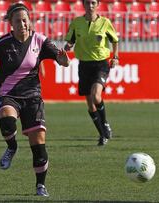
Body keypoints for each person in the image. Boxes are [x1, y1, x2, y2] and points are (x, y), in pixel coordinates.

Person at [0, 3, 69, 197]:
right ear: (11, 23)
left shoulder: (40, 41)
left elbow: (62, 61)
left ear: (29, 21)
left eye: (25, 20)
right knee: (7, 120)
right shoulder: (1, 44)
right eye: (18, 21)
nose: (23, 24)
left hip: (33, 96)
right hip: (8, 94)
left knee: (38, 143)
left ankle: (40, 186)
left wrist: (64, 58)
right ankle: (12, 147)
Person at [64, 0, 119, 146]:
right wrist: (68, 46)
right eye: (88, 3)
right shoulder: (77, 23)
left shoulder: (105, 22)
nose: (91, 5)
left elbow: (115, 40)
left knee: (96, 95)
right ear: (83, 5)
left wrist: (115, 57)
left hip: (101, 63)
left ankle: (105, 124)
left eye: (93, 3)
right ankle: (102, 134)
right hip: (84, 65)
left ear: (98, 5)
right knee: (90, 104)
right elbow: (70, 40)